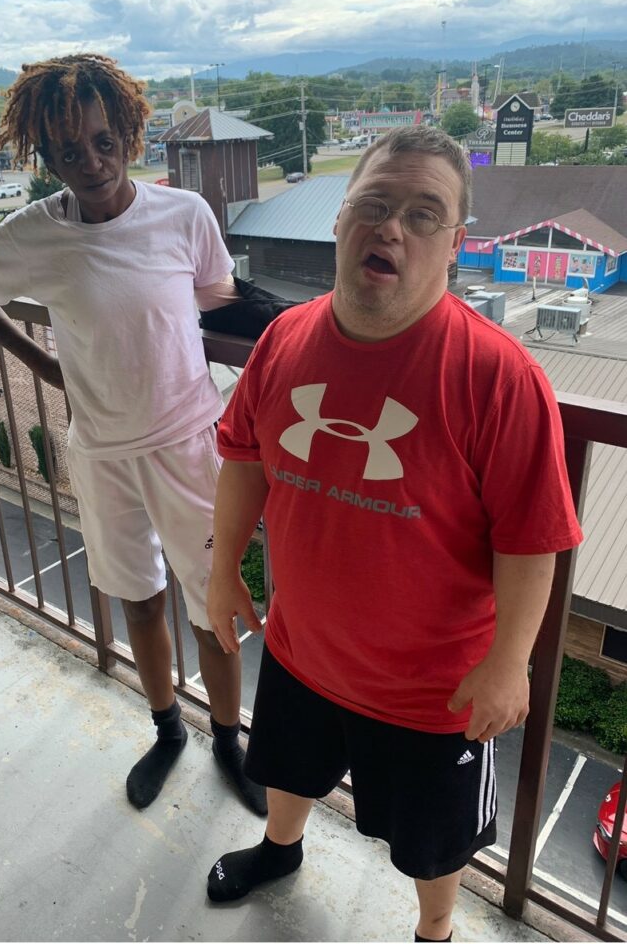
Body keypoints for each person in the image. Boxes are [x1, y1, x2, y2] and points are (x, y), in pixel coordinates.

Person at [204, 125, 583, 941]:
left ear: (453, 244)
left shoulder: (497, 377)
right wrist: (222, 567)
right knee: (286, 771)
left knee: (431, 844)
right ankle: (280, 849)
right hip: (302, 649)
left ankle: (434, 932)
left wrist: (506, 666)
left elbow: (532, 540)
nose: (390, 228)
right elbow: (243, 457)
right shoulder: (285, 338)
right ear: (339, 221)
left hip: (431, 693)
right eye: (373, 205)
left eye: (421, 214)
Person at [0, 53, 266, 816]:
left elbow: (221, 310)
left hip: (189, 443)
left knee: (211, 602)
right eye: (65, 151)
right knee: (139, 599)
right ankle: (166, 732)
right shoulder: (36, 233)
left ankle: (228, 739)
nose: (87, 162)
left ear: (126, 131)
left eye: (100, 141)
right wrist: (44, 363)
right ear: (45, 155)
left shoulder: (184, 214)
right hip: (100, 449)